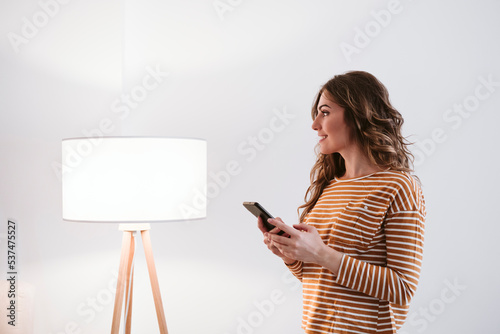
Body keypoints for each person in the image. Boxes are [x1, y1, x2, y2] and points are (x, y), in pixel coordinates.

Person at [258, 71, 426, 333]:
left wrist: (320, 253)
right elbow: (318, 275)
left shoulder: (398, 187)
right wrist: (291, 255)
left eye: (325, 112)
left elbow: (402, 288)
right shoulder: (330, 185)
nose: (315, 124)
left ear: (359, 114)